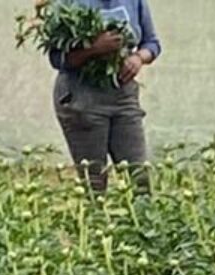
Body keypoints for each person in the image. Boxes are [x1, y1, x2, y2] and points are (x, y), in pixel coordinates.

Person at [49, 1, 161, 194]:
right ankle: (95, 222)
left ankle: (141, 221)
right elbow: (57, 58)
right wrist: (93, 49)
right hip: (81, 101)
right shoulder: (67, 4)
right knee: (95, 185)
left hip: (123, 97)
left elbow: (152, 44)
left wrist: (138, 58)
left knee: (139, 181)